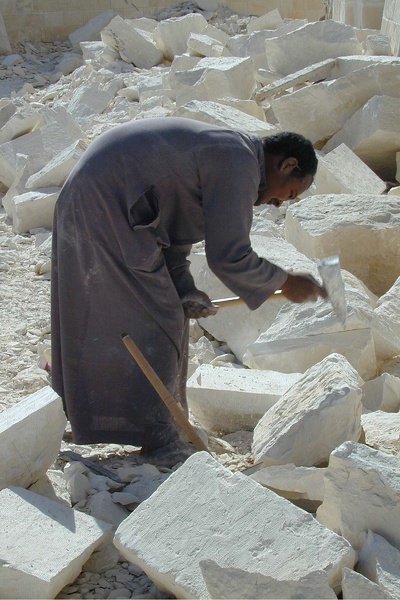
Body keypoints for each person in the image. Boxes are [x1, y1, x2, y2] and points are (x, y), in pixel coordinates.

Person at [51, 117, 324, 466]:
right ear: (287, 165)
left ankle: (130, 420)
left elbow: (172, 230)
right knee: (159, 317)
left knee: (168, 309)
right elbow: (230, 256)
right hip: (103, 201)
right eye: (289, 193)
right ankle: (158, 437)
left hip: (101, 198)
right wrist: (287, 282)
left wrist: (184, 287)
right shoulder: (239, 162)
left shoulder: (232, 154)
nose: (279, 203)